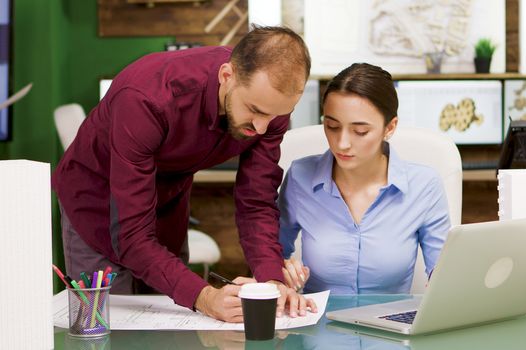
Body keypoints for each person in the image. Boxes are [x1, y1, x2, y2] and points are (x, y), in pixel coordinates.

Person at [52, 26, 317, 323]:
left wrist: (273, 281)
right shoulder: (146, 98)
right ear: (227, 76)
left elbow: (256, 201)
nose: (262, 128)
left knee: (170, 323)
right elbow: (134, 237)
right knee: (105, 327)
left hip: (168, 198)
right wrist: (205, 297)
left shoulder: (268, 107)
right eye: (254, 110)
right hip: (95, 200)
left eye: (275, 116)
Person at [279, 63, 451, 293]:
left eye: (360, 132)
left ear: (389, 128)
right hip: (316, 323)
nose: (342, 143)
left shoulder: (424, 186)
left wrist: (444, 288)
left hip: (390, 325)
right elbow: (269, 254)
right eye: (332, 126)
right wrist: (280, 272)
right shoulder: (301, 177)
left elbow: (444, 274)